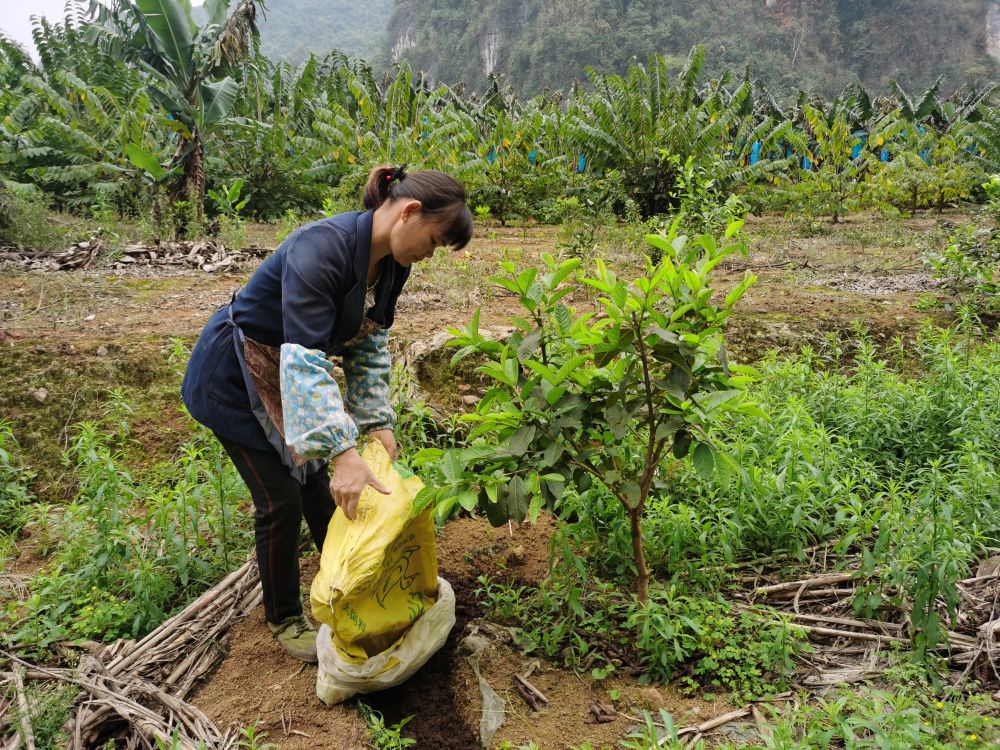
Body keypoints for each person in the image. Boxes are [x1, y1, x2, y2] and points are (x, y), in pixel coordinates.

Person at [182, 165, 473, 662]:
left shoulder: (392, 266)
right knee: (280, 498)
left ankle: (348, 579)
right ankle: (284, 618)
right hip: (235, 374)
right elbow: (306, 359)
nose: (430, 255)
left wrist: (375, 422)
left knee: (319, 485)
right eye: (435, 240)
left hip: (290, 372)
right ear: (410, 212)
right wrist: (342, 449)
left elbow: (369, 346)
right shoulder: (324, 248)